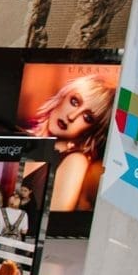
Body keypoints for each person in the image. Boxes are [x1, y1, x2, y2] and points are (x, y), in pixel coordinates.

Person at [24, 71, 117, 213]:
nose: (72, 116)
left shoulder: (75, 161)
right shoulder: (27, 141)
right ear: (63, 96)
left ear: (93, 129)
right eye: (74, 102)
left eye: (87, 117)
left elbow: (53, 224)